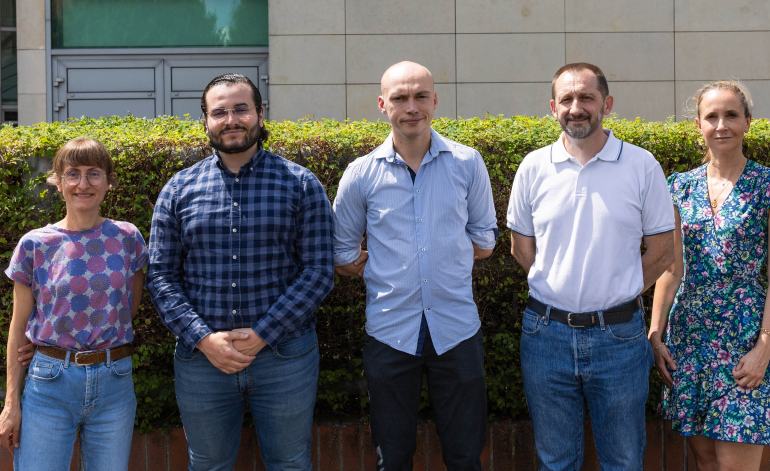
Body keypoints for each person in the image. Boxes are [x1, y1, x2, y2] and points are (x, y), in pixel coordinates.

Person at [146, 74, 334, 470]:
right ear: (206, 122)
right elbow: (161, 276)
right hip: (202, 362)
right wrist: (204, 339)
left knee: (290, 462)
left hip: (286, 357)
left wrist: (264, 333)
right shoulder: (178, 189)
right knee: (208, 464)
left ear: (260, 114)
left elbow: (318, 270)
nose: (231, 119)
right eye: (219, 112)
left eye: (241, 109)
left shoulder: (301, 184)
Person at [506, 62, 675, 470]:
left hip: (620, 337)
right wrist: (560, 287)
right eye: (566, 99)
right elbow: (520, 249)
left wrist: (617, 290)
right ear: (553, 107)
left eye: (586, 97)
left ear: (607, 103)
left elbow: (662, 250)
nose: (576, 107)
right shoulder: (533, 167)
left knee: (623, 460)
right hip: (545, 335)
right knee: (556, 461)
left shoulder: (641, 166)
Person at [332, 61, 498, 470]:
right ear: (382, 104)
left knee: (464, 456)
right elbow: (341, 252)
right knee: (393, 457)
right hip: (390, 332)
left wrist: (446, 256)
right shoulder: (361, 174)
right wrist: (366, 265)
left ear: (435, 100)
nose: (411, 107)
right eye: (400, 98)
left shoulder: (467, 162)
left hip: (457, 329)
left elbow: (485, 240)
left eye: (421, 96)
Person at [650, 81, 770, 470]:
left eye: (731, 115)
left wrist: (766, 345)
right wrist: (656, 335)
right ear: (698, 124)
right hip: (690, 338)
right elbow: (671, 268)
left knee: (736, 464)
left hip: (745, 337)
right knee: (706, 461)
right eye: (711, 116)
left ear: (749, 122)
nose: (721, 125)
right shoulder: (679, 187)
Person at [0, 137, 147, 470]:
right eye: (73, 174)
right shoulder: (34, 245)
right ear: (58, 181)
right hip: (50, 384)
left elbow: (128, 309)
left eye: (94, 173)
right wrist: (11, 403)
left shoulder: (128, 239)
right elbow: (18, 327)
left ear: (109, 182)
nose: (83, 183)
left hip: (115, 384)